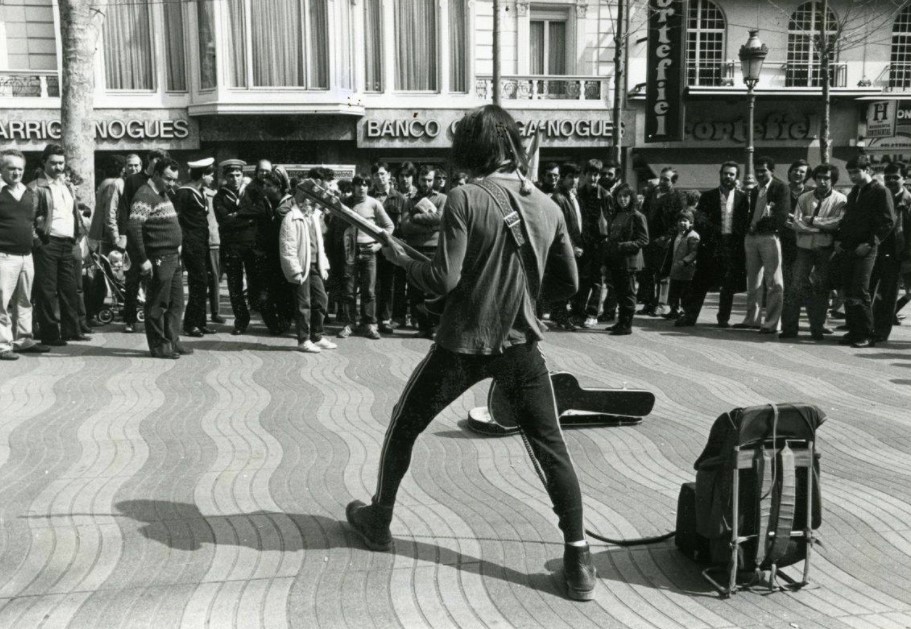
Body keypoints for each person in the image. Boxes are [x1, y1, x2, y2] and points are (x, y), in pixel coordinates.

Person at [344, 105, 596, 602]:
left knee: (403, 423)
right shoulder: (549, 204)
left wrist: (402, 261)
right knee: (552, 447)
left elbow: (444, 279)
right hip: (521, 346)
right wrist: (522, 299)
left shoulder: (462, 196)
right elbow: (569, 283)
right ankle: (579, 557)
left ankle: (380, 520)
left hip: (461, 344)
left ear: (471, 150)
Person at [126, 158, 189, 359]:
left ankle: (172, 341)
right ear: (156, 174)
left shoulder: (163, 194)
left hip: (172, 257)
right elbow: (134, 228)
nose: (172, 184)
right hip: (158, 257)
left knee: (177, 302)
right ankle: (159, 346)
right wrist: (143, 259)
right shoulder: (144, 195)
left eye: (174, 180)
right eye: (168, 179)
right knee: (157, 304)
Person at [29, 143, 89, 346]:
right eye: (53, 163)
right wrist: (37, 241)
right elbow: (29, 219)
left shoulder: (66, 185)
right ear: (44, 162)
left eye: (61, 163)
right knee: (46, 292)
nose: (58, 167)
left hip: (68, 243)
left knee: (69, 290)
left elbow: (73, 214)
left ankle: (71, 331)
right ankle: (50, 334)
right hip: (48, 243)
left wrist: (77, 235)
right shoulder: (36, 187)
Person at [780, 164, 846, 340]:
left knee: (820, 289)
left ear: (833, 180)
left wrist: (813, 221)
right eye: (819, 178)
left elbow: (837, 222)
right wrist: (820, 228)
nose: (822, 181)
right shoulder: (804, 197)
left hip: (825, 250)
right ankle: (789, 329)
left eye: (827, 178)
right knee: (795, 287)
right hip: (803, 248)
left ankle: (817, 329)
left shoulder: (840, 200)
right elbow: (797, 223)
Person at [835, 154, 895, 348]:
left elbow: (888, 222)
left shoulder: (880, 191)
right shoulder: (854, 192)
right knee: (849, 290)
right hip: (849, 247)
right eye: (850, 172)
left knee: (861, 291)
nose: (852, 176)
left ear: (867, 170)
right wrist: (840, 240)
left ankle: (866, 334)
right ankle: (854, 331)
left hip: (866, 248)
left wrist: (870, 244)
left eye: (856, 172)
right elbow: (847, 219)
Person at [0, 149, 48, 359]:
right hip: (4, 256)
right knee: (1, 302)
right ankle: (3, 345)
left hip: (26, 255)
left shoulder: (27, 192)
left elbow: (30, 222)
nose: (16, 173)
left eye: (20, 169)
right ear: (1, 169)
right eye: (11, 168)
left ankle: (23, 340)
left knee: (25, 300)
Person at [734, 156, 791, 334]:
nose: (759, 174)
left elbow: (781, 216)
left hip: (769, 237)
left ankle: (772, 322)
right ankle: (752, 319)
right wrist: (747, 228)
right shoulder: (752, 191)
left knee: (773, 281)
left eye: (763, 170)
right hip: (751, 238)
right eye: (757, 170)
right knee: (753, 280)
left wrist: (756, 226)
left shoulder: (780, 188)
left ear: (771, 171)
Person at [279, 186, 337, 354]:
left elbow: (319, 244)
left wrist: (324, 264)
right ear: (302, 200)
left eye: (313, 202)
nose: (311, 204)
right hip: (302, 266)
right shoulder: (292, 218)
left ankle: (317, 336)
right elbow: (287, 246)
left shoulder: (312, 218)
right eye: (309, 200)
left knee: (321, 300)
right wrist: (294, 270)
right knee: (303, 304)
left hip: (315, 265)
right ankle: (303, 339)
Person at [118, 150, 170, 333]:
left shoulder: (163, 180)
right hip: (136, 237)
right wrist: (123, 234)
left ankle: (155, 320)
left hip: (156, 238)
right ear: (149, 161)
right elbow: (124, 208)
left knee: (156, 280)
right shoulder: (133, 180)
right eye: (157, 160)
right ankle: (129, 319)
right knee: (132, 279)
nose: (159, 163)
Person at [340, 174, 395, 340]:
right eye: (358, 184)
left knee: (369, 291)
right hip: (350, 251)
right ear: (353, 186)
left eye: (365, 184)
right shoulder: (345, 203)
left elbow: (389, 226)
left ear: (369, 187)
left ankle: (369, 324)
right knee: (349, 291)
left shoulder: (374, 203)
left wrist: (378, 245)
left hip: (369, 252)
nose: (361, 187)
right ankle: (349, 324)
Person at [400, 165, 446, 338]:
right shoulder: (409, 200)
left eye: (429, 180)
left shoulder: (442, 198)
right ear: (417, 179)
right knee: (415, 289)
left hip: (434, 249)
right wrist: (431, 227)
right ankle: (423, 326)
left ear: (434, 180)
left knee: (433, 289)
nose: (426, 183)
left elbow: (441, 219)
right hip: (414, 248)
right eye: (423, 179)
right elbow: (405, 227)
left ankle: (435, 327)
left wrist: (417, 218)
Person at [213, 159, 258, 335]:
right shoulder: (220, 196)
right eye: (231, 175)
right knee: (235, 286)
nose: (235, 179)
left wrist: (237, 215)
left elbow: (259, 212)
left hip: (251, 245)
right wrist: (247, 219)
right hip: (231, 247)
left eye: (238, 175)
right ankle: (241, 320)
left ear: (242, 175)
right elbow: (224, 221)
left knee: (255, 282)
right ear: (225, 177)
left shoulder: (251, 193)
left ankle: (260, 315)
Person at [173, 157, 217, 337]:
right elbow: (176, 219)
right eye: (211, 175)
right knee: (199, 283)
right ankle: (190, 324)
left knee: (202, 283)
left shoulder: (200, 192)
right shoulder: (185, 193)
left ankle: (200, 322)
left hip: (201, 244)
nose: (213, 179)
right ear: (203, 175)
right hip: (191, 245)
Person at [639, 167, 686, 317]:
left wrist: (667, 237)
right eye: (661, 178)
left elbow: (678, 220)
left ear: (673, 181)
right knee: (648, 272)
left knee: (662, 274)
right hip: (649, 238)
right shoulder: (652, 193)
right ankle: (648, 303)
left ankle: (661, 304)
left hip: (664, 240)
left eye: (666, 179)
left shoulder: (677, 197)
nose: (662, 181)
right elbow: (644, 212)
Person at [603, 182, 649, 335]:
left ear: (631, 198)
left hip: (629, 261)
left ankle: (627, 325)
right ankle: (620, 322)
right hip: (616, 260)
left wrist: (624, 245)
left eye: (626, 196)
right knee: (619, 292)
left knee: (628, 293)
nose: (622, 199)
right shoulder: (616, 214)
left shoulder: (637, 216)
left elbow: (643, 240)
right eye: (619, 196)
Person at [870, 161, 908, 343]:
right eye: (888, 178)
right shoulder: (879, 197)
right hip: (874, 250)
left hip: (897, 254)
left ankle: (881, 332)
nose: (891, 181)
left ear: (905, 179)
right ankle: (864, 326)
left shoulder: (908, 202)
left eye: (896, 177)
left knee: (888, 295)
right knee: (867, 291)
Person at [87, 154, 126, 324]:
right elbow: (110, 214)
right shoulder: (115, 184)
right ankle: (93, 312)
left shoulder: (104, 183)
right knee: (108, 275)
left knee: (102, 276)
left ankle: (92, 312)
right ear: (122, 168)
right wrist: (116, 237)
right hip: (107, 237)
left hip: (100, 235)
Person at [372, 162, 409, 334]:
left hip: (392, 247)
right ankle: (371, 318)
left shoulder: (400, 198)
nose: (379, 178)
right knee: (372, 283)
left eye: (382, 174)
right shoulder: (368, 196)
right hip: (371, 247)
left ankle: (386, 319)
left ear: (388, 175)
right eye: (376, 174)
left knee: (389, 284)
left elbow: (403, 226)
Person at [575, 159, 612, 329]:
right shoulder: (578, 193)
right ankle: (578, 311)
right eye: (590, 174)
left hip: (598, 243)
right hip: (583, 242)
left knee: (596, 280)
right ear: (585, 175)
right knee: (582, 278)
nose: (593, 178)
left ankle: (592, 312)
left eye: (596, 174)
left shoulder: (605, 195)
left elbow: (609, 221)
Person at [549, 162, 584, 330]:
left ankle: (560, 315)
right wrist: (572, 246)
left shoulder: (572, 196)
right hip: (565, 247)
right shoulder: (558, 198)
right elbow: (561, 228)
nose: (574, 181)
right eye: (571, 177)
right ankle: (561, 316)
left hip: (575, 246)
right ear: (562, 178)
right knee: (565, 282)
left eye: (576, 177)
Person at [664, 209, 700, 321]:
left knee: (685, 292)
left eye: (685, 221)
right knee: (674, 291)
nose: (682, 223)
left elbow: (694, 252)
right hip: (675, 269)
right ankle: (674, 310)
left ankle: (684, 311)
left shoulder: (693, 236)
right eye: (680, 221)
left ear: (691, 223)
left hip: (687, 270)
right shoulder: (677, 235)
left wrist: (685, 261)